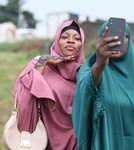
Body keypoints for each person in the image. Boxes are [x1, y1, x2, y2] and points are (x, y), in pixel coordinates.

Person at [72, 19, 134, 150]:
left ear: (129, 41)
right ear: (100, 40)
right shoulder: (91, 70)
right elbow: (85, 95)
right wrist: (100, 63)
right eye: (108, 36)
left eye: (122, 36)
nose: (116, 40)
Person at [12, 20, 85, 150]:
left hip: (76, 142)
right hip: (43, 141)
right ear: (57, 40)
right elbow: (25, 99)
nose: (70, 41)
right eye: (64, 37)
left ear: (81, 43)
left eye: (77, 38)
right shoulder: (39, 64)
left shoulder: (86, 71)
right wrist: (43, 62)